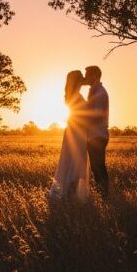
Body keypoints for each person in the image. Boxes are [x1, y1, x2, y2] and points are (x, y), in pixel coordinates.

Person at [47, 70, 90, 201]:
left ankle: (68, 192)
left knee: (70, 161)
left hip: (74, 130)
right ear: (77, 81)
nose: (83, 80)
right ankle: (70, 192)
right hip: (77, 132)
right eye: (80, 79)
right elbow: (82, 116)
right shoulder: (76, 96)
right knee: (75, 162)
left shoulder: (72, 95)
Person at [83, 65, 110, 199]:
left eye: (87, 75)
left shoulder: (100, 93)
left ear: (95, 76)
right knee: (97, 167)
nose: (85, 77)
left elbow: (97, 116)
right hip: (94, 135)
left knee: (98, 167)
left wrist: (80, 120)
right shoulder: (94, 90)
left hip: (97, 135)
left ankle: (105, 195)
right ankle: (104, 194)